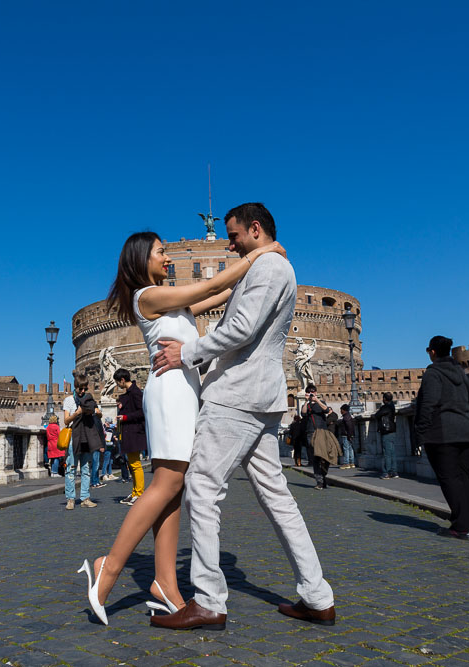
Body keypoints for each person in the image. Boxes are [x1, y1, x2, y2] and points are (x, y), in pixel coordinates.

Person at [77, 226, 285, 626]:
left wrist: (262, 274)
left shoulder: (175, 306)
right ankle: (110, 566)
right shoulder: (147, 297)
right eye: (160, 252)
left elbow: (220, 294)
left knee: (175, 488)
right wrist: (260, 253)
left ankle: (165, 583)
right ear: (141, 259)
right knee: (166, 485)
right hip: (170, 393)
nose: (167, 258)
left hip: (185, 391)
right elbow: (211, 285)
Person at [150, 202, 335, 631]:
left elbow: (244, 329)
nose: (229, 243)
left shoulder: (269, 269)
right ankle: (317, 595)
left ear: (255, 229)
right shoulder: (270, 268)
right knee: (277, 496)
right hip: (261, 395)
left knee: (202, 488)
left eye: (233, 236)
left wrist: (187, 353)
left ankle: (209, 600)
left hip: (238, 396)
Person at [415, 336, 469, 541]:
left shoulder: (433, 374)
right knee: (466, 479)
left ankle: (462, 527)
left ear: (432, 352)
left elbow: (429, 404)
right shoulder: (462, 374)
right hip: (468, 432)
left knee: (450, 480)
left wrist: (420, 433)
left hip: (443, 435)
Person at [63, 374, 101, 510]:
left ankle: (85, 497)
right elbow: (66, 421)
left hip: (87, 436)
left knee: (86, 469)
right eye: (80, 389)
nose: (83, 391)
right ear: (75, 387)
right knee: (71, 469)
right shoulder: (68, 400)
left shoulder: (89, 399)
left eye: (85, 389)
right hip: (74, 437)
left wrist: (97, 412)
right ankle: (70, 499)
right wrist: (77, 413)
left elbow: (99, 413)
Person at [114, 368, 146, 506]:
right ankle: (135, 492)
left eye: (117, 383)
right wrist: (122, 405)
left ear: (122, 380)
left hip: (135, 432)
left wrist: (126, 416)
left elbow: (142, 412)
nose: (117, 386)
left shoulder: (136, 392)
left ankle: (140, 493)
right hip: (129, 432)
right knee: (132, 465)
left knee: (136, 465)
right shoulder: (129, 393)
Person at [303, 385, 332, 489]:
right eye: (309, 392)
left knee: (325, 457)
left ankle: (323, 476)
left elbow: (326, 410)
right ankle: (319, 481)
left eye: (313, 391)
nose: (312, 393)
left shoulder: (322, 403)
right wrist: (306, 401)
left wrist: (317, 400)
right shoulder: (307, 405)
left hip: (322, 432)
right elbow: (303, 413)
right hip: (311, 432)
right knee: (316, 457)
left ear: (316, 392)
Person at [375, 393, 399, 479]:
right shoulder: (392, 406)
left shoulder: (386, 407)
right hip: (392, 431)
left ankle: (386, 472)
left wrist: (379, 411)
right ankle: (394, 471)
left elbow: (377, 415)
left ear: (385, 399)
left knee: (387, 453)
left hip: (386, 431)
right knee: (392, 452)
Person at [337, 404, 357, 470]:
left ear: (343, 410)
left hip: (346, 435)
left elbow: (349, 426)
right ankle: (352, 463)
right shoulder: (349, 416)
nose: (340, 411)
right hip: (349, 435)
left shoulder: (346, 417)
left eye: (341, 410)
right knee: (350, 449)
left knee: (346, 449)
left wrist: (349, 435)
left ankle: (346, 463)